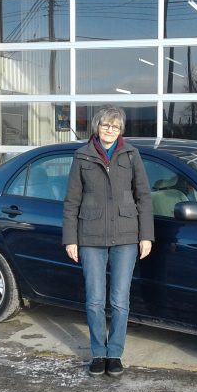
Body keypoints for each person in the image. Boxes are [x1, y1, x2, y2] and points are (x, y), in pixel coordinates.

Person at [62, 106, 154, 377]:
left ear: (121, 130)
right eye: (105, 125)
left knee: (119, 301)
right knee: (94, 299)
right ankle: (98, 353)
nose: (109, 130)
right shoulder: (82, 156)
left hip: (126, 236)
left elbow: (144, 197)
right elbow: (71, 201)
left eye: (114, 126)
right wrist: (71, 239)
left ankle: (114, 354)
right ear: (97, 126)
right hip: (90, 237)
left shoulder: (131, 154)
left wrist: (146, 235)